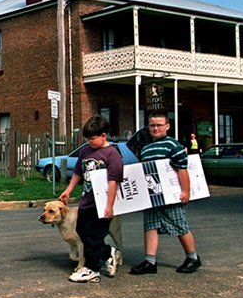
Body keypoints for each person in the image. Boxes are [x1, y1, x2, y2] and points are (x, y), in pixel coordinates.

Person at [130, 112, 201, 275]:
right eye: (152, 125)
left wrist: (186, 191)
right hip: (154, 195)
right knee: (150, 225)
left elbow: (182, 168)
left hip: (171, 195)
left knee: (179, 225)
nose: (155, 128)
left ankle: (193, 258)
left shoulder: (172, 145)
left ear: (167, 126)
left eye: (159, 125)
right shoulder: (146, 148)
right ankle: (150, 261)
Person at [57, 115, 123, 283]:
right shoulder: (86, 151)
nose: (90, 142)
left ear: (103, 135)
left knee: (94, 236)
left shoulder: (112, 155)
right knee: (83, 233)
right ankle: (109, 253)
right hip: (86, 201)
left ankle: (92, 270)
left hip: (101, 204)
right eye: (87, 138)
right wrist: (68, 190)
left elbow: (113, 182)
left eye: (93, 138)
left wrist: (109, 206)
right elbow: (79, 171)